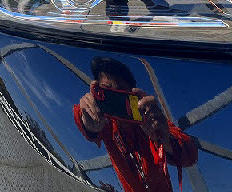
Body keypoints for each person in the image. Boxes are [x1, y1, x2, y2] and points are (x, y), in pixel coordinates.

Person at [73, 57, 198, 192]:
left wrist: (166, 139)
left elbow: (190, 155)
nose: (115, 102)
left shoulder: (148, 119)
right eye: (108, 92)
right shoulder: (105, 123)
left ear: (133, 94)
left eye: (120, 92)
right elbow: (80, 116)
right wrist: (87, 118)